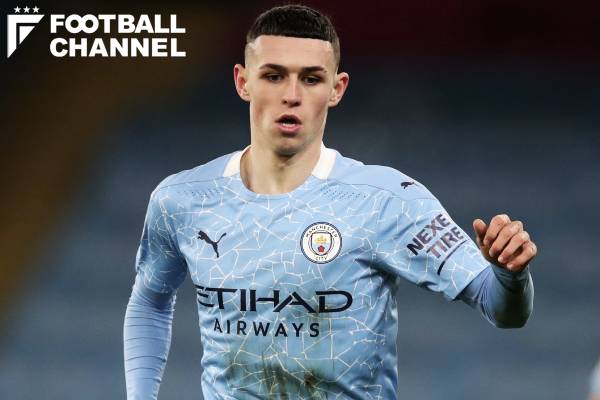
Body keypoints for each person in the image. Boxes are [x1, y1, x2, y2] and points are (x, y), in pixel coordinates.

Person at [123, 4, 537, 399]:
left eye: (310, 79)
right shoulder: (183, 200)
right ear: (243, 81)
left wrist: (511, 275)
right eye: (273, 76)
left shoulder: (386, 201)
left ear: (336, 89)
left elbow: (502, 309)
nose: (291, 95)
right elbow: (150, 300)